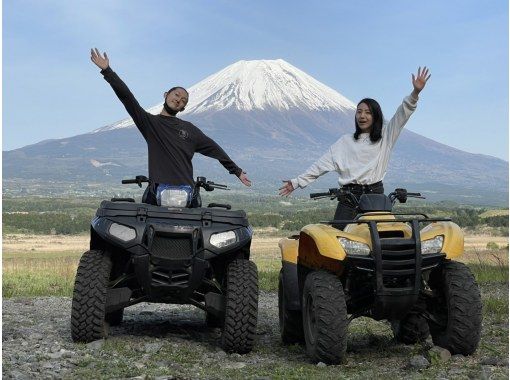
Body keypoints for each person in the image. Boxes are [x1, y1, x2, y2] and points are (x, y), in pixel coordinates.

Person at [90, 48, 251, 205]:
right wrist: (107, 71)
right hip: (158, 191)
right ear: (166, 95)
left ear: (183, 108)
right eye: (176, 95)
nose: (178, 100)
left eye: (183, 101)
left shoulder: (190, 129)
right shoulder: (150, 123)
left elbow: (214, 148)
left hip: (187, 192)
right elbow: (127, 98)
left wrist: (236, 170)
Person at [279, 67, 431, 228]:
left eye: (367, 112)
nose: (362, 116)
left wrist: (415, 93)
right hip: (348, 199)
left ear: (376, 116)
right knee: (337, 242)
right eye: (359, 112)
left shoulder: (386, 136)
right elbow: (320, 165)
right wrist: (296, 182)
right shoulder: (344, 142)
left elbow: (402, 114)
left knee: (384, 240)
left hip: (375, 199)